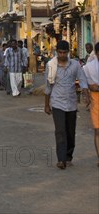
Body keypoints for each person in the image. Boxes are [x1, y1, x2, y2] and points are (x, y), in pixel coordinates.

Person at [44, 40, 89, 169]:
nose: (62, 55)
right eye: (60, 52)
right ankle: (61, 159)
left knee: (70, 131)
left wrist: (86, 94)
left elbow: (82, 80)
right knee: (60, 131)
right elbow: (48, 86)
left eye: (64, 52)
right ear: (56, 52)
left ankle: (68, 156)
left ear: (68, 52)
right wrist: (47, 105)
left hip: (71, 103)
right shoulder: (51, 66)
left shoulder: (75, 65)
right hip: (57, 103)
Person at [83, 42, 99, 166]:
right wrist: (88, 91)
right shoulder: (89, 67)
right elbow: (85, 83)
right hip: (96, 100)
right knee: (97, 130)